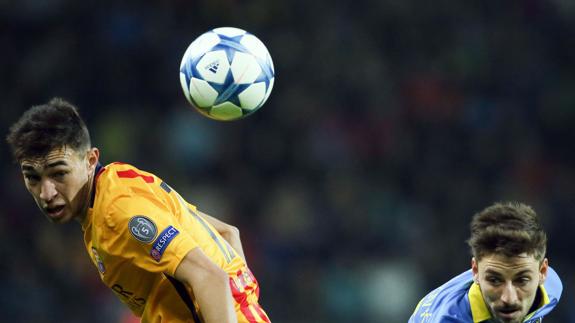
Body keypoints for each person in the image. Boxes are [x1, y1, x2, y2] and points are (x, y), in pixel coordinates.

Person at [6, 98, 271, 323]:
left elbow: (210, 276)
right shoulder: (116, 184)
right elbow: (226, 233)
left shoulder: (118, 212)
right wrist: (247, 305)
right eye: (33, 178)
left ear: (90, 161)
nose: (47, 193)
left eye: (59, 173)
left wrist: (240, 310)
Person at [409, 202, 562, 323]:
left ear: (542, 273)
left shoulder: (551, 288)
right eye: (495, 280)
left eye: (522, 280)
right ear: (475, 271)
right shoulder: (449, 319)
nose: (508, 298)